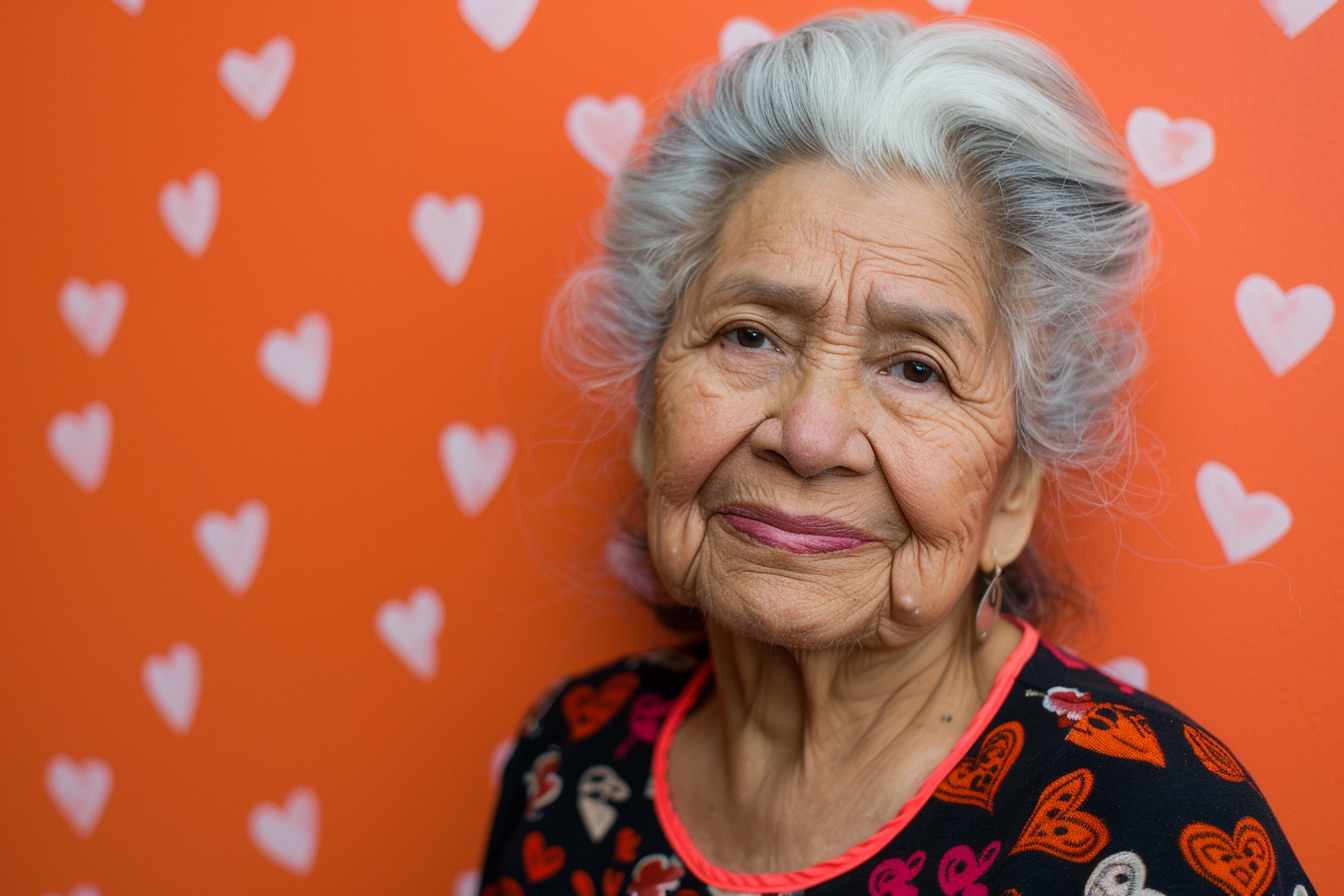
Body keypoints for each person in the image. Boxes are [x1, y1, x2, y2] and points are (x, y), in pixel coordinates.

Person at [480, 12, 1315, 895]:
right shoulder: (570, 760)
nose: (809, 437)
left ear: (1011, 496)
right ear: (651, 416)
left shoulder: (1153, 827)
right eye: (750, 337)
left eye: (917, 369)